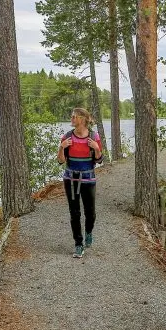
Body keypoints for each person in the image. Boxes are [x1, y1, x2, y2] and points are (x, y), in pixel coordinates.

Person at [58, 107, 103, 258]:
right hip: (70, 179)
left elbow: (99, 159)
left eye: (74, 117)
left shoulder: (93, 136)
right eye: (71, 117)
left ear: (82, 119)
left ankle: (88, 232)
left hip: (88, 179)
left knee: (90, 213)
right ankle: (78, 244)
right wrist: (61, 148)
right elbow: (61, 161)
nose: (71, 119)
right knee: (74, 212)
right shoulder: (67, 137)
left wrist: (96, 149)